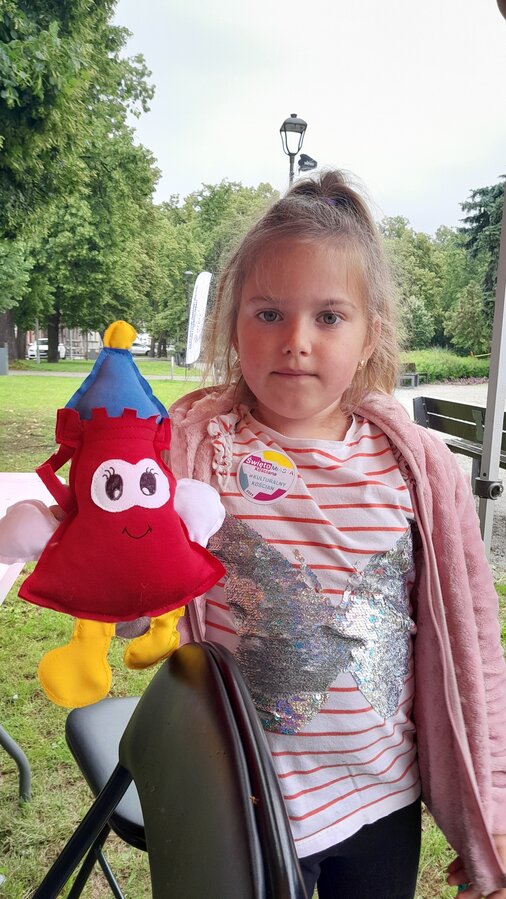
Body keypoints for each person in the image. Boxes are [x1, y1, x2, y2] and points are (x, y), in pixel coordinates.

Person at [168, 169, 506, 899]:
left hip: (384, 798)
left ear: (368, 334)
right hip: (246, 801)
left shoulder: (414, 466)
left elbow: (473, 644)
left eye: (328, 316)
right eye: (268, 313)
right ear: (233, 324)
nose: (295, 341)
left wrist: (495, 811)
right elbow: (134, 578)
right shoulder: (197, 452)